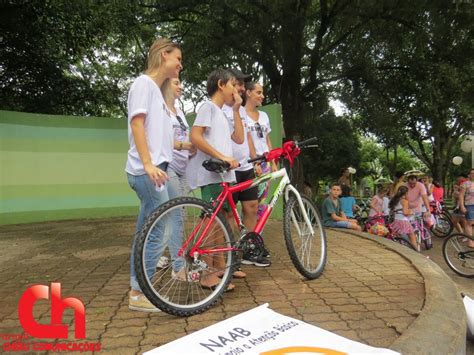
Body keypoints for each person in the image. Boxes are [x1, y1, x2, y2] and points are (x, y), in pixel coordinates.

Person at [125, 38, 183, 312]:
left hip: (159, 170)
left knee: (146, 230)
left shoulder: (157, 92)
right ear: (163, 55)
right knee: (158, 229)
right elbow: (137, 123)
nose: (180, 65)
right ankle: (139, 292)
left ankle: (138, 285)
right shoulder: (143, 84)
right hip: (147, 171)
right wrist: (148, 163)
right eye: (177, 59)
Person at [187, 68, 245, 290]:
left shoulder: (223, 113)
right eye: (233, 85)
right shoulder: (208, 107)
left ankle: (219, 267)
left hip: (222, 175)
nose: (236, 90)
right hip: (210, 173)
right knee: (210, 223)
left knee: (220, 222)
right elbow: (195, 135)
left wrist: (237, 109)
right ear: (221, 85)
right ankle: (206, 273)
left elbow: (239, 138)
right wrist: (221, 156)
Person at [222, 69, 269, 267]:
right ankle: (230, 255)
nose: (241, 88)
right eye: (238, 84)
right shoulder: (220, 108)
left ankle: (248, 249)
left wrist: (255, 161)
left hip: (246, 167)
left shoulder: (241, 109)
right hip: (228, 169)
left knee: (251, 207)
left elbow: (247, 138)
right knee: (229, 214)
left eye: (242, 85)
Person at [244, 81, 277, 221]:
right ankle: (246, 234)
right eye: (259, 92)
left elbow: (267, 139)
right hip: (249, 163)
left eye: (262, 92)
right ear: (248, 92)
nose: (262, 96)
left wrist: (273, 162)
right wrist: (254, 163)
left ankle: (257, 235)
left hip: (265, 163)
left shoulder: (264, 116)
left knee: (261, 202)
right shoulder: (240, 114)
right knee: (249, 203)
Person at [161, 78, 196, 197]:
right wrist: (185, 146)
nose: (180, 87)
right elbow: (160, 139)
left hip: (183, 167)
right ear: (165, 85)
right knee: (176, 209)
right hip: (169, 164)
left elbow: (185, 136)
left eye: (181, 83)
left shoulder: (180, 112)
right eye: (176, 83)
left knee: (182, 207)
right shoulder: (161, 109)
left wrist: (192, 147)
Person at [389, 186, 418, 251]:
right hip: (403, 221)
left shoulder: (395, 200)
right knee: (412, 237)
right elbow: (405, 212)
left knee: (398, 237)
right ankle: (417, 252)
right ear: (406, 193)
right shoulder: (404, 201)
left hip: (396, 221)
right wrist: (411, 212)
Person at [459, 169, 474, 247]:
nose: (473, 174)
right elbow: (461, 195)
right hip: (470, 205)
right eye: (472, 173)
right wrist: (462, 206)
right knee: (470, 223)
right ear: (469, 175)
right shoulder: (465, 184)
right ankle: (470, 241)